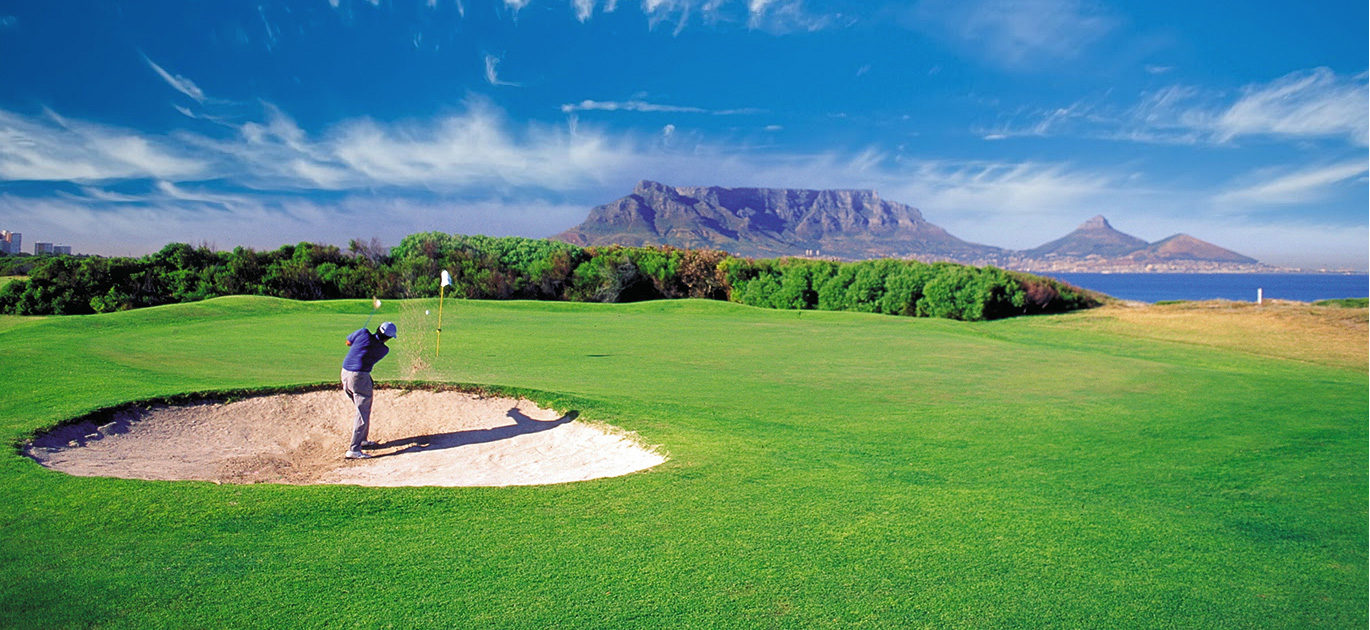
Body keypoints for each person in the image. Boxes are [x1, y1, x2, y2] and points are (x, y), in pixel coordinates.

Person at [340, 321, 397, 459]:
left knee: (362, 410)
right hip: (359, 377)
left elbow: (348, 343)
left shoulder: (363, 332)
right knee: (362, 413)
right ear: (388, 338)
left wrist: (358, 340)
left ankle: (362, 440)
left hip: (345, 374)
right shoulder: (383, 350)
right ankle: (354, 449)